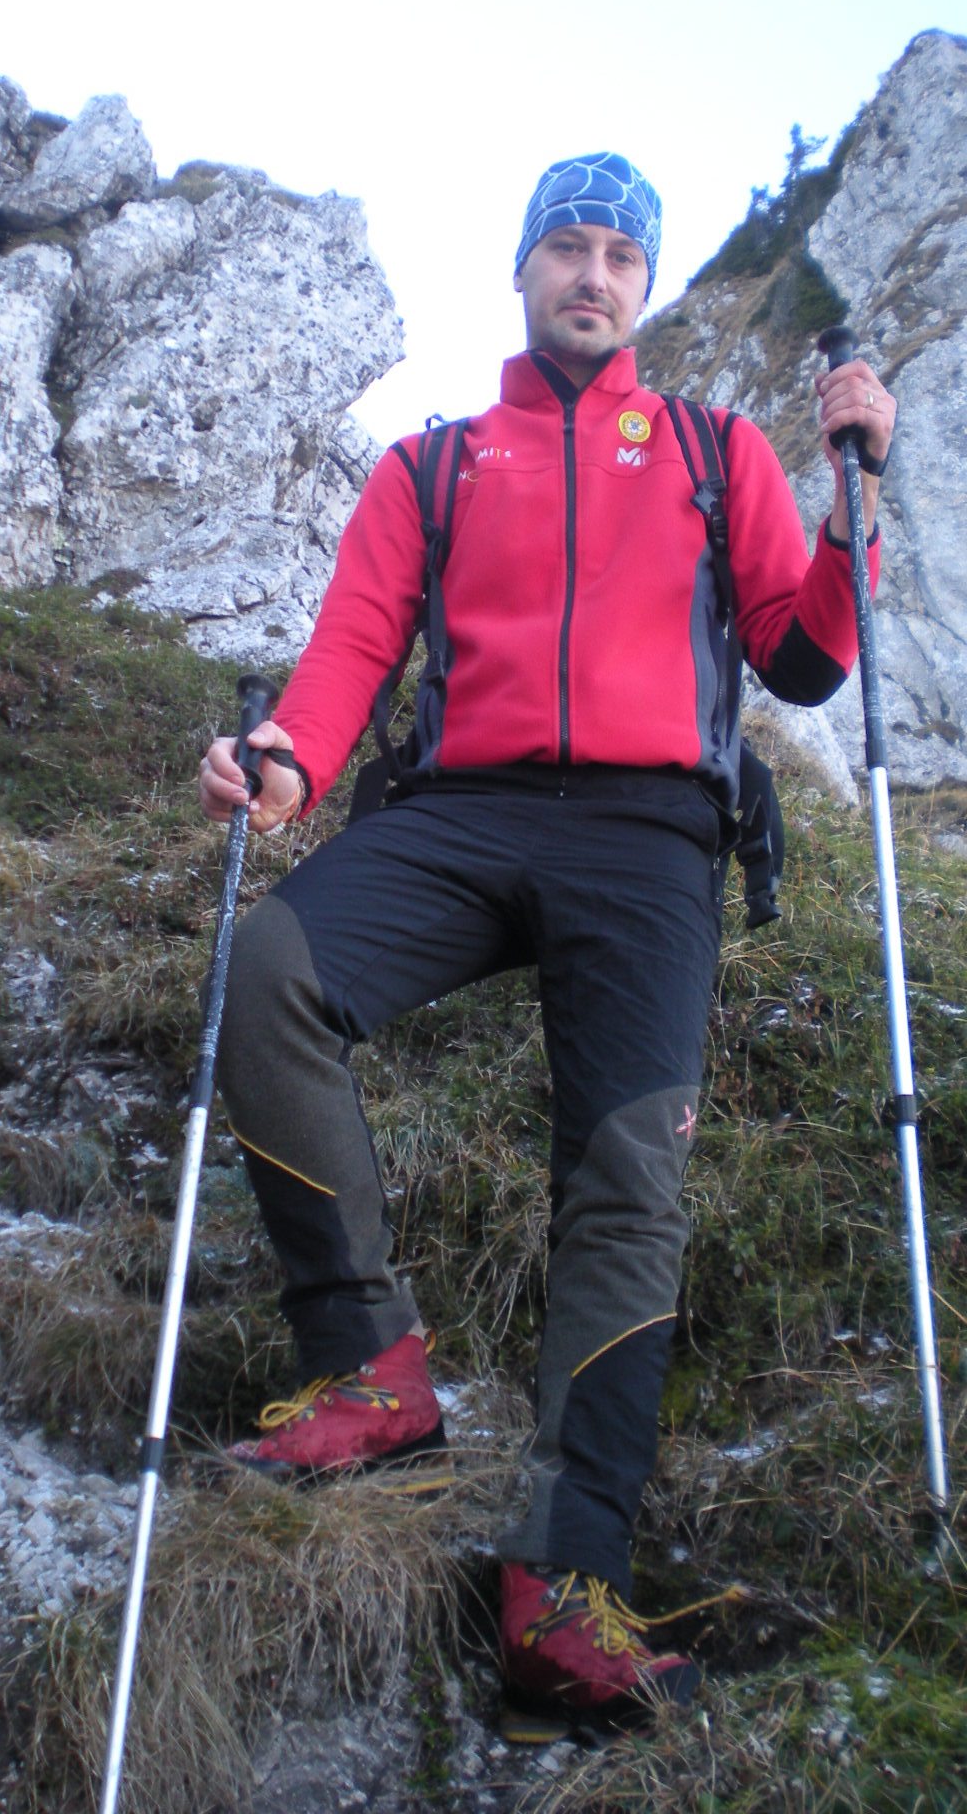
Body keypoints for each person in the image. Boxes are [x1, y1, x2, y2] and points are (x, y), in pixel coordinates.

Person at [198, 153, 895, 1735]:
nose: (593, 276)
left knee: (628, 1175)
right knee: (270, 971)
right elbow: (353, 648)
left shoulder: (713, 451)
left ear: (643, 285)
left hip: (651, 836)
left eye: (621, 256)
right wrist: (288, 764)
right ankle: (373, 1374)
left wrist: (853, 503)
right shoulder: (436, 466)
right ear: (522, 269)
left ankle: (559, 1583)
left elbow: (798, 660)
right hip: (461, 813)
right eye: (567, 248)